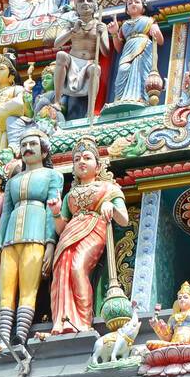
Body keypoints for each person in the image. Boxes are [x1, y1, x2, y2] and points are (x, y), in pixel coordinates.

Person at [48, 140, 128, 335]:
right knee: (61, 273)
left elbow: (124, 219)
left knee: (77, 268)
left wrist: (111, 207)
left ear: (98, 165)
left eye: (87, 158)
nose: (81, 162)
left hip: (94, 228)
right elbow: (61, 229)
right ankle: (63, 321)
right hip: (69, 234)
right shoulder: (69, 195)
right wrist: (57, 212)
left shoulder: (108, 188)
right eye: (77, 159)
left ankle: (83, 321)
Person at [0, 132, 62, 351]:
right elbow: (5, 214)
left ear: (44, 150)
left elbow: (51, 209)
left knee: (28, 290)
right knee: (5, 292)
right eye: (24, 144)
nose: (28, 148)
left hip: (36, 238)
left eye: (33, 144)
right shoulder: (12, 182)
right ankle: (4, 336)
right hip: (9, 242)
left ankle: (20, 336)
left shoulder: (53, 176)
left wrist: (50, 243)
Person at [108, 0, 163, 105]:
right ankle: (120, 100)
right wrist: (114, 33)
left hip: (144, 48)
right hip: (127, 50)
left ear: (143, 8)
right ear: (127, 10)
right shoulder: (124, 25)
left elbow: (160, 41)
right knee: (123, 70)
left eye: (137, 2)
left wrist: (156, 32)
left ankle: (143, 98)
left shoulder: (149, 21)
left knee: (142, 72)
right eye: (130, 3)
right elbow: (119, 48)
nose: (133, 4)